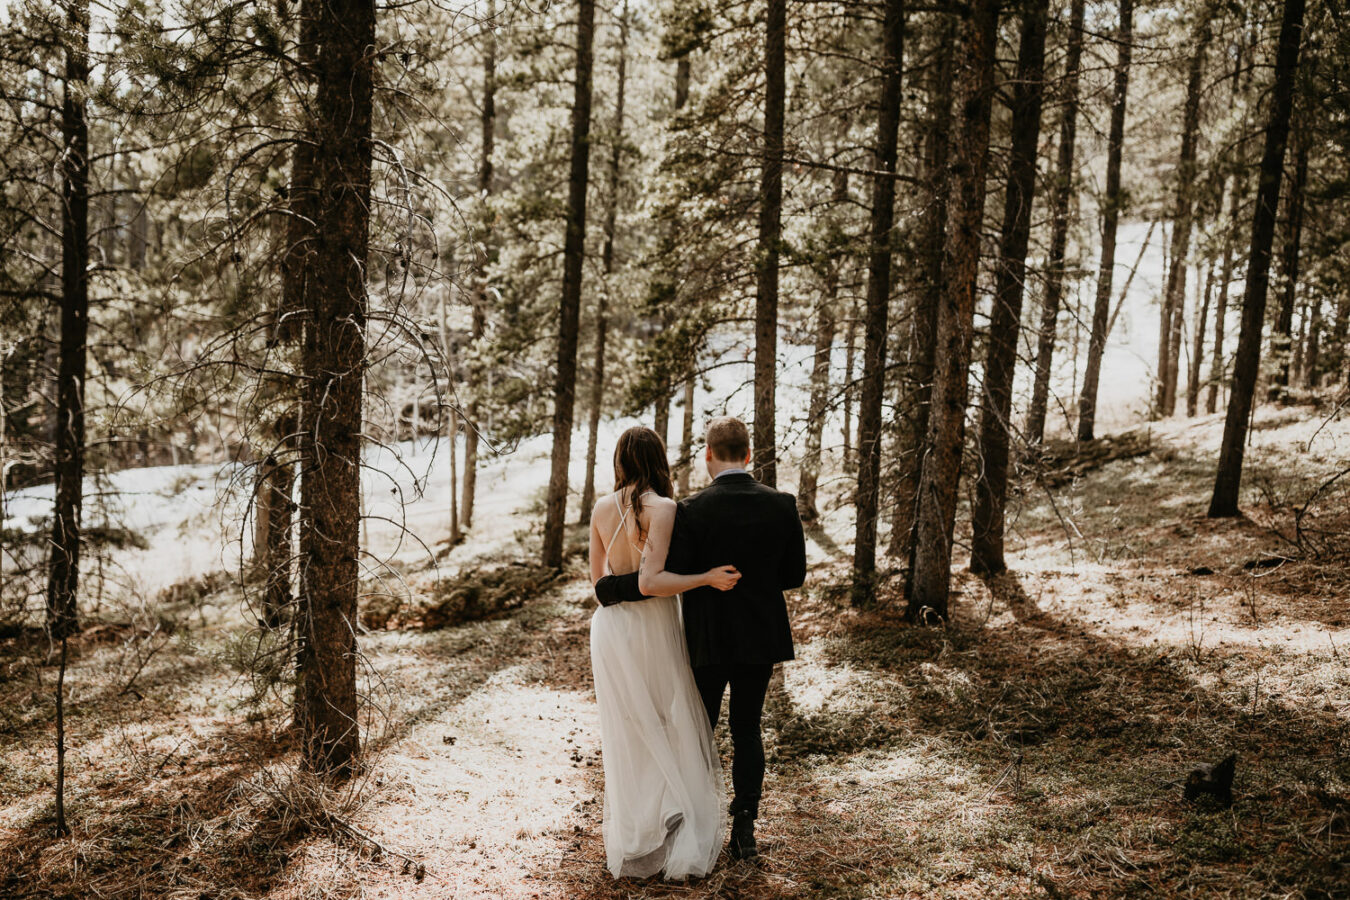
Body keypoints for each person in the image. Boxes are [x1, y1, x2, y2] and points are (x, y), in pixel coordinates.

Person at [595, 416, 807, 861]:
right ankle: (744, 826)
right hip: (759, 636)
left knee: (696, 730)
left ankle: (688, 821)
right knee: (747, 727)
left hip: (705, 637)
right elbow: (793, 576)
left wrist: (611, 589)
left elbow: (670, 572)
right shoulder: (783, 504)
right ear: (748, 454)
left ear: (708, 454)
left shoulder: (691, 509)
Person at [587, 426, 739, 879]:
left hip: (610, 628)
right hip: (651, 625)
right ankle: (670, 815)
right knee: (664, 718)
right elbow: (652, 582)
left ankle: (641, 831)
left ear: (620, 460)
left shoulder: (600, 508)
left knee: (631, 728)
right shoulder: (664, 508)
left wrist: (622, 586)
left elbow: (599, 586)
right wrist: (706, 578)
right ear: (658, 460)